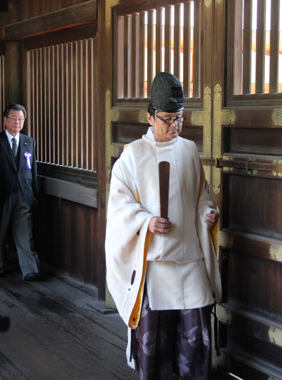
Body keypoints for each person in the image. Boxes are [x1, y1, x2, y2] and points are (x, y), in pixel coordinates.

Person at [105, 72, 221, 380]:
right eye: (168, 119)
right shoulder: (131, 157)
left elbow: (201, 196)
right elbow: (119, 209)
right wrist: (146, 221)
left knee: (195, 341)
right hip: (154, 265)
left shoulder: (189, 150)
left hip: (190, 260)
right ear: (150, 116)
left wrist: (206, 213)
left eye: (180, 118)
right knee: (154, 345)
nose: (175, 126)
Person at [0, 104, 41, 281]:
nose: (17, 122)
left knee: (25, 231)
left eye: (20, 119)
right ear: (5, 120)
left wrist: (35, 193)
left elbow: (33, 170)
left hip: (24, 192)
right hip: (1, 192)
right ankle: (0, 266)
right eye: (14, 118)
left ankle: (29, 270)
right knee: (0, 230)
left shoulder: (28, 141)